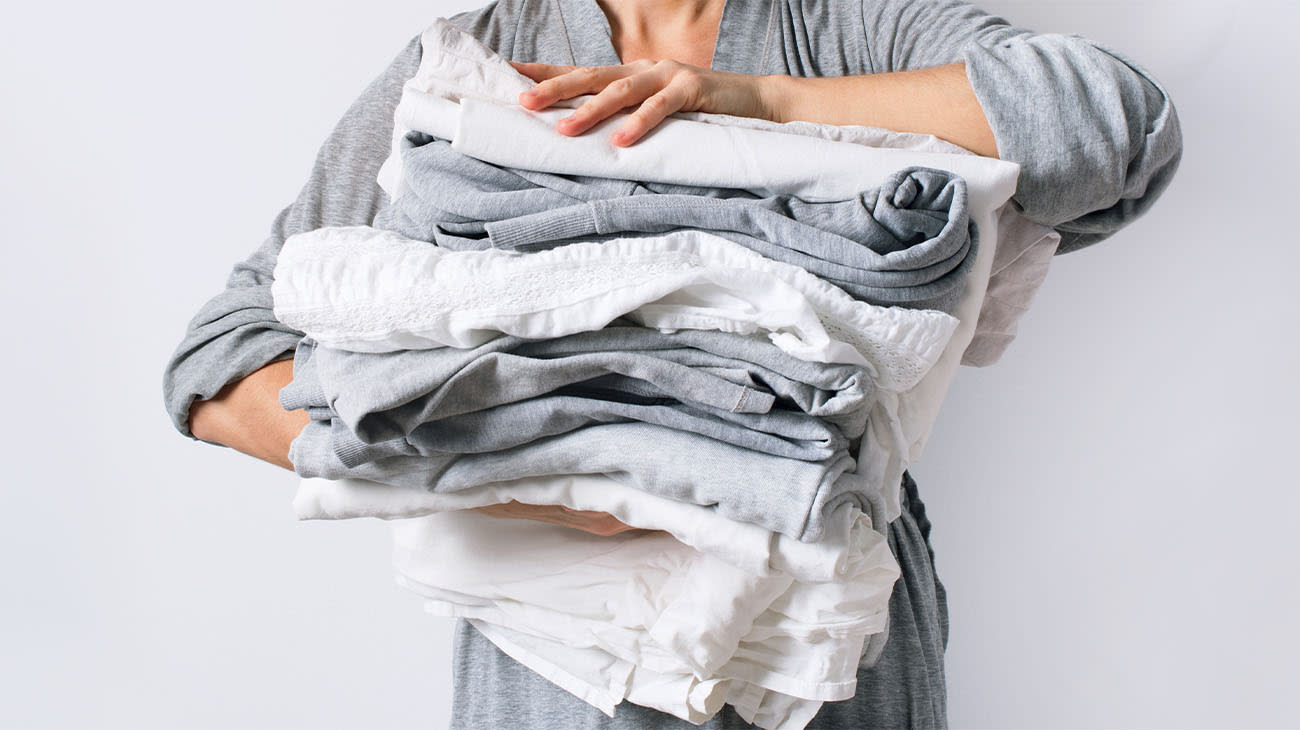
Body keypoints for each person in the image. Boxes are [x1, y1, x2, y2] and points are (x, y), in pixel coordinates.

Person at [160, 0, 1183, 726]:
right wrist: (535, 466)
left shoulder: (849, 29)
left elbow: (1116, 127)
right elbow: (221, 361)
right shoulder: (476, 69)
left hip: (825, 596)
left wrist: (757, 106)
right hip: (552, 653)